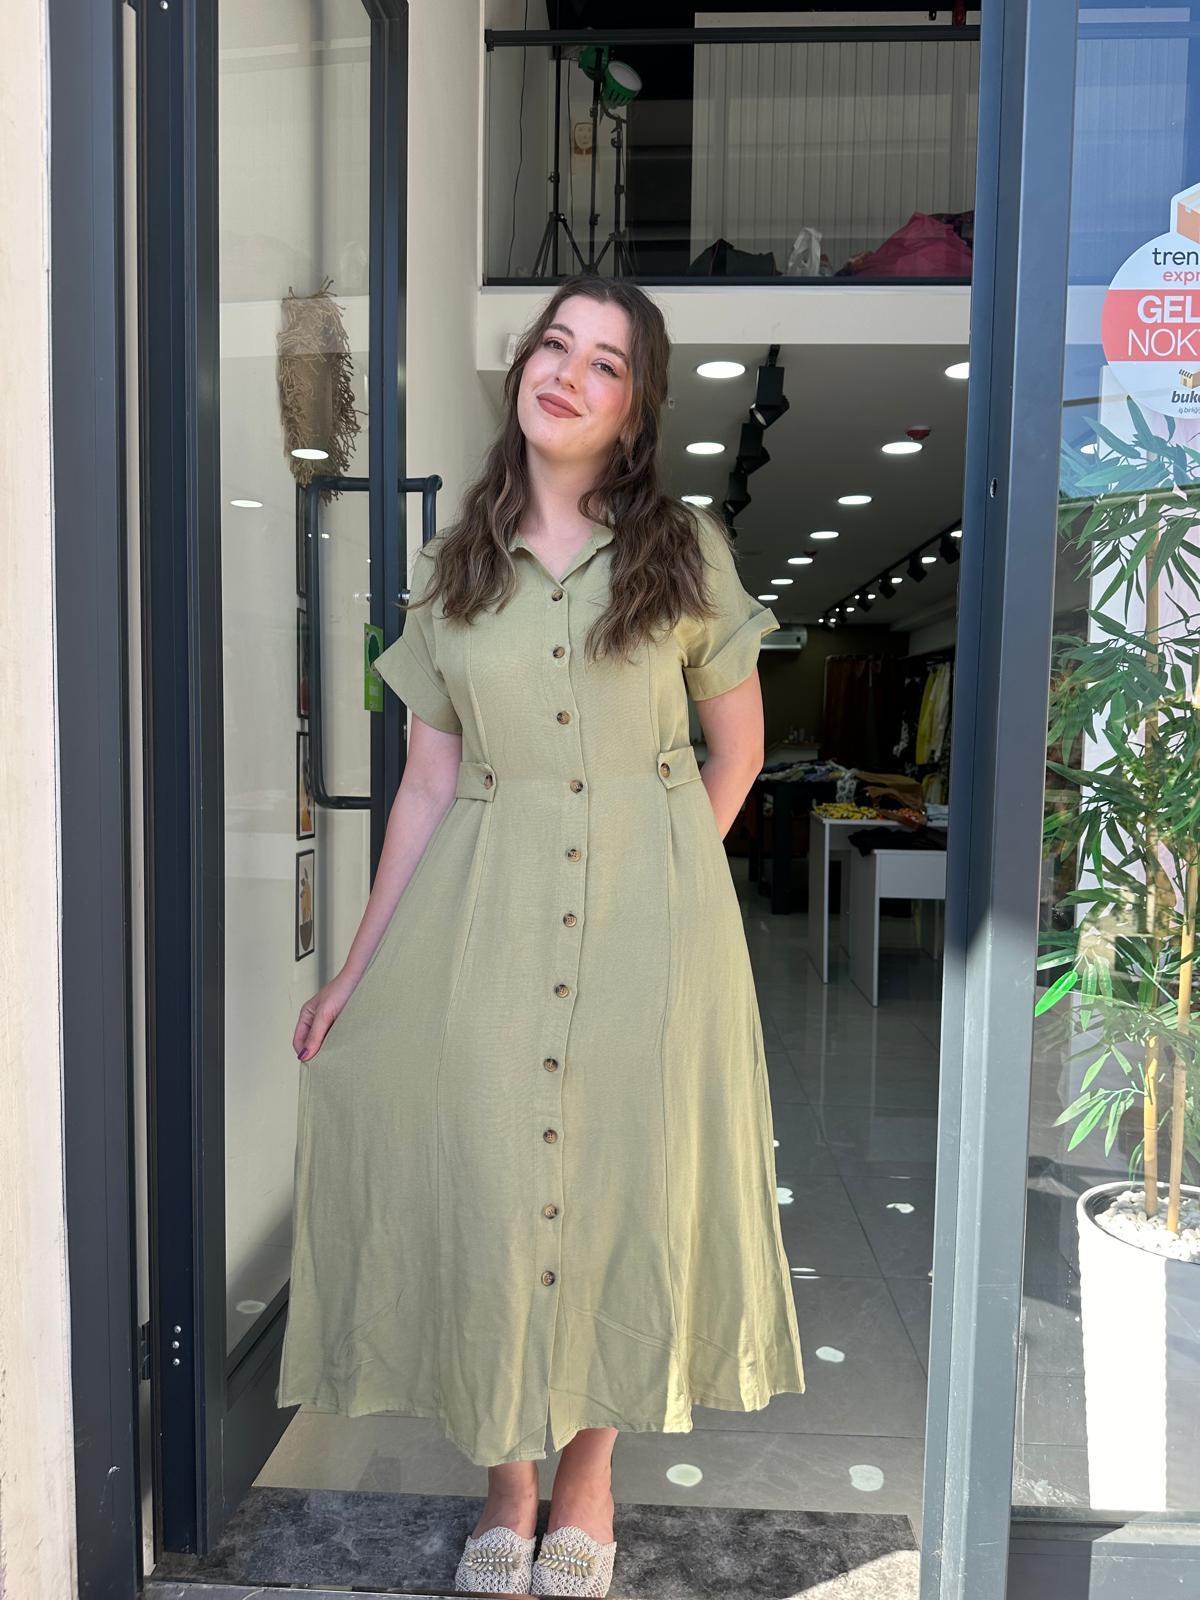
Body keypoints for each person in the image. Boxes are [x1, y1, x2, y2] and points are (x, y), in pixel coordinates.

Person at [276, 275, 806, 1599]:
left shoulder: (686, 551)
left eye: (605, 363)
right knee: (495, 1195)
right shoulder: (453, 572)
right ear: (522, 370)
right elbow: (426, 787)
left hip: (650, 939)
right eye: (554, 347)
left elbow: (736, 750)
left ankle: (588, 1483)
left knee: (621, 1191)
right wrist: (354, 972)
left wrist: (668, 887)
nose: (568, 374)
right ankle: (507, 1485)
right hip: (487, 923)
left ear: (636, 408)